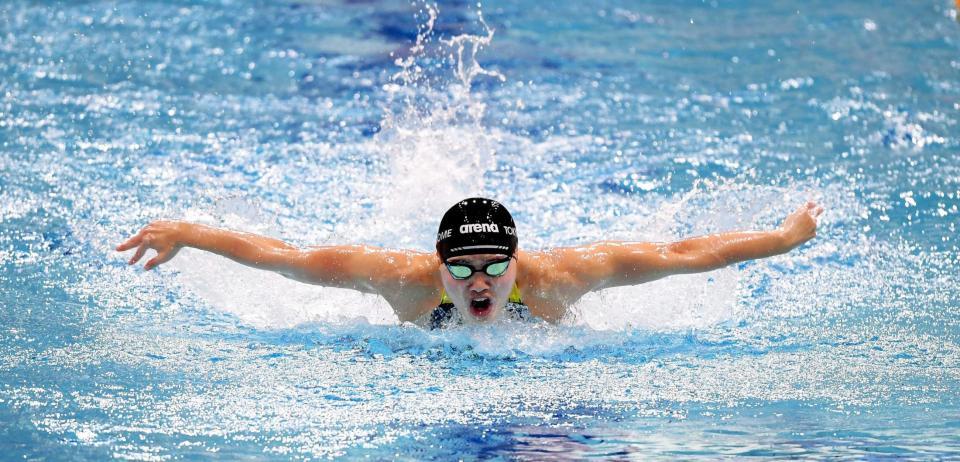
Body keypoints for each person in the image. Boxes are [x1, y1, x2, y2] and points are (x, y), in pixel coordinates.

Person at [116, 198, 823, 329]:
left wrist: (784, 238)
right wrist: (186, 231)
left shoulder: (562, 279)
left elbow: (682, 255)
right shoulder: (400, 280)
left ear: (519, 261)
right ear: (438, 264)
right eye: (464, 269)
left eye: (494, 266)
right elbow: (287, 259)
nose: (479, 281)